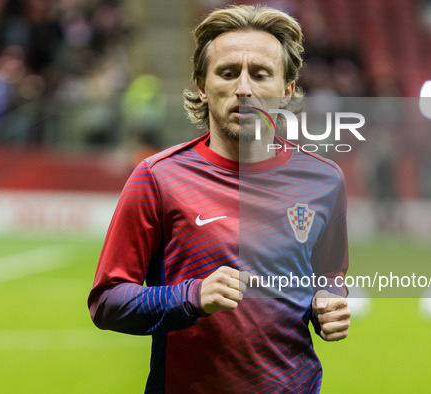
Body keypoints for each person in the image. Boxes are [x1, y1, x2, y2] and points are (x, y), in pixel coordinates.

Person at [88, 5, 351, 393]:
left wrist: (328, 302)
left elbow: (329, 274)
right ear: (201, 85)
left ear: (287, 89)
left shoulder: (324, 181)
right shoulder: (158, 178)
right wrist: (192, 296)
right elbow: (107, 302)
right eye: (228, 73)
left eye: (261, 74)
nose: (244, 88)